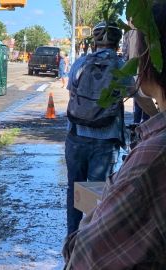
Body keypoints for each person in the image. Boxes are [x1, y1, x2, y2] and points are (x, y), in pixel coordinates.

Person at [63, 2, 166, 268]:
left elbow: (72, 93)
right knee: (96, 197)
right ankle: (92, 232)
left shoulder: (80, 64)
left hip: (75, 137)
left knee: (74, 189)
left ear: (95, 40)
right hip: (105, 140)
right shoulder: (121, 68)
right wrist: (157, 121)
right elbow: (140, 98)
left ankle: (71, 238)